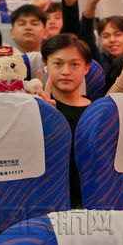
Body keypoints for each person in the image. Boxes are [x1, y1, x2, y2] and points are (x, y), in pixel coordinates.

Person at [40, 33, 93, 208]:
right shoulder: (36, 109)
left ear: (86, 68)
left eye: (74, 64)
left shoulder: (99, 112)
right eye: (58, 63)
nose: (66, 72)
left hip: (94, 201)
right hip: (51, 203)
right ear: (45, 65)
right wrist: (43, 115)